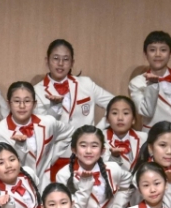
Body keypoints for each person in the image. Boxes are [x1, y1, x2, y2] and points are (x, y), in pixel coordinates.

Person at [34, 40, 115, 178]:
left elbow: (115, 104)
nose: (60, 64)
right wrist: (55, 108)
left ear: (72, 62)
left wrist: (99, 129)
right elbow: (42, 127)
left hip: (86, 156)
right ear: (47, 61)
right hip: (56, 157)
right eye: (56, 58)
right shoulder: (37, 90)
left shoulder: (86, 84)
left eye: (66, 59)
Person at [0, 80, 62, 180]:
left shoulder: (45, 122)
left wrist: (52, 158)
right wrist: (20, 146)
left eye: (27, 101)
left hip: (45, 183)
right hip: (20, 183)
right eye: (17, 101)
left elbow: (68, 133)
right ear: (8, 104)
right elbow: (10, 163)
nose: (22, 106)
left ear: (35, 104)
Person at [98, 95, 144, 173]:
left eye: (126, 113)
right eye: (115, 113)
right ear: (107, 119)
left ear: (133, 119)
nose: (120, 118)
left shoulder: (144, 138)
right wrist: (114, 157)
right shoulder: (99, 139)